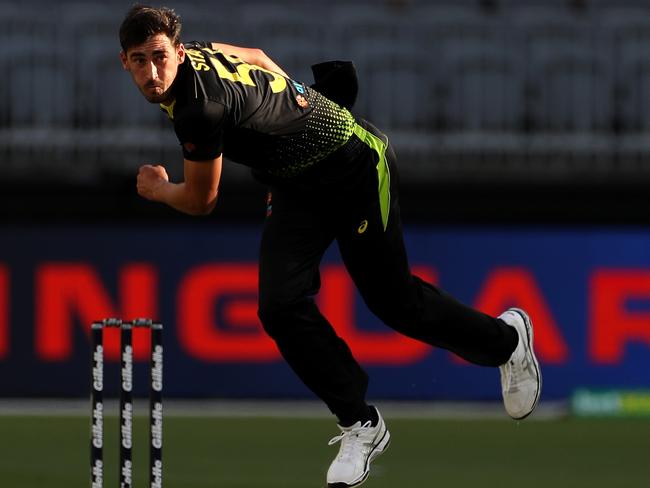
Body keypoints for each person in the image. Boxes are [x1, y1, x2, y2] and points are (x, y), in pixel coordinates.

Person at [119, 5, 542, 487]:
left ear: (176, 50)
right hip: (297, 186)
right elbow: (256, 54)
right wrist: (290, 112)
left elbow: (201, 200)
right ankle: (361, 423)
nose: (152, 73)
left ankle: (508, 341)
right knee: (278, 307)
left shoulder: (198, 109)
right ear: (123, 62)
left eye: (158, 57)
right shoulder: (200, 54)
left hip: (353, 164)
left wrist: (157, 188)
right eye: (139, 61)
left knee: (394, 305)